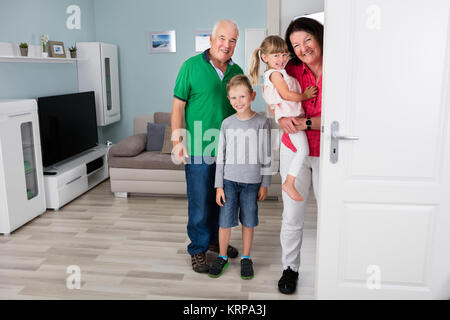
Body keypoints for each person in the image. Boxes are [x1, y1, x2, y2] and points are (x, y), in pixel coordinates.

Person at [171, 20, 243, 273]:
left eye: (232, 40)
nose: (227, 44)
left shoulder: (237, 72)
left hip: (228, 151)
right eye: (222, 38)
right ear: (211, 39)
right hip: (198, 147)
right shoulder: (190, 67)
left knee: (222, 200)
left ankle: (215, 241)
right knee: (200, 202)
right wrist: (177, 141)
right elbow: (178, 106)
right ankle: (198, 249)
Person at [276, 17, 324, 294]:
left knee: (329, 212)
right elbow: (271, 87)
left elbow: (343, 118)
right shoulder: (291, 67)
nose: (303, 48)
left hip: (327, 151)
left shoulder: (339, 67)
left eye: (307, 40)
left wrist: (306, 123)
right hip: (293, 148)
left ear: (318, 37)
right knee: (292, 213)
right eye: (296, 44)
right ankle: (290, 269)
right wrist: (279, 116)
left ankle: (331, 266)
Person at [209, 75, 271, 280]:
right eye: (234, 98)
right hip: (228, 182)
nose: (238, 102)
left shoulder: (262, 122)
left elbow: (267, 154)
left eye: (242, 96)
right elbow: (221, 156)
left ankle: (246, 257)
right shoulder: (227, 124)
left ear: (252, 96)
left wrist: (265, 183)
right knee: (225, 222)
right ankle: (222, 256)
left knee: (249, 221)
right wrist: (219, 186)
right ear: (229, 99)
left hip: (252, 183)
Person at [249, 35, 317, 202]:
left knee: (302, 150)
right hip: (289, 118)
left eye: (284, 54)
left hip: (289, 115)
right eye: (276, 55)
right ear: (265, 57)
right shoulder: (275, 75)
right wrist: (304, 95)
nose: (282, 59)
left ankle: (289, 181)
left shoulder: (278, 73)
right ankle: (289, 182)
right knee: (303, 151)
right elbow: (285, 94)